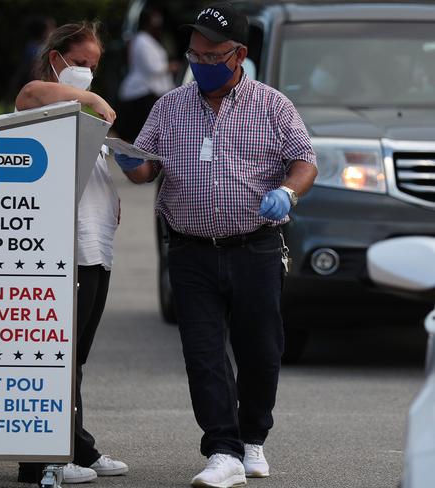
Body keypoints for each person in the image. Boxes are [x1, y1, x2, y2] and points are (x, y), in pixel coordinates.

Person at [113, 3, 318, 487]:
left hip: (255, 248)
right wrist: (125, 158)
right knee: (202, 353)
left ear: (239, 54)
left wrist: (287, 192)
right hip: (190, 250)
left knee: (260, 349)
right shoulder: (169, 106)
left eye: (212, 55)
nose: (200, 62)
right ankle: (221, 449)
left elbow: (304, 161)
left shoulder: (272, 105)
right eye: (194, 54)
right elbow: (146, 169)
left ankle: (253, 440)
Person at [15, 21, 128, 485]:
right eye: (80, 63)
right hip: (64, 251)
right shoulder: (40, 99)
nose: (86, 74)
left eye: (94, 68)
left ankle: (75, 446)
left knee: (75, 357)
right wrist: (93, 99)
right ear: (57, 57)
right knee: (57, 355)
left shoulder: (81, 117)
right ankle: (42, 458)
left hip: (95, 248)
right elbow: (32, 92)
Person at [116, 8, 177, 142]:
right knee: (138, 134)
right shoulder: (142, 41)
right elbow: (152, 68)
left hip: (150, 92)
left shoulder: (150, 40)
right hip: (141, 92)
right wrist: (170, 67)